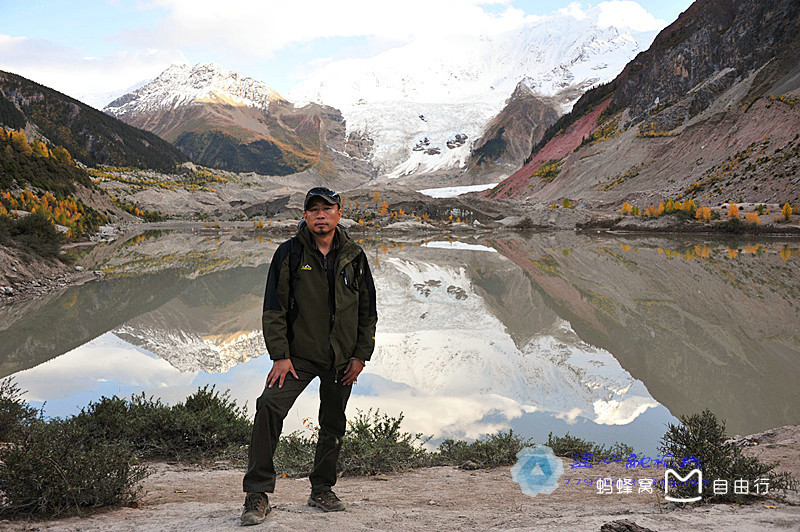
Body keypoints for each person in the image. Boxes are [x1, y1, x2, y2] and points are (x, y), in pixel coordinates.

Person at [241, 186, 378, 525]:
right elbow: (273, 309)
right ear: (304, 215)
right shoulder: (289, 254)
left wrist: (361, 356)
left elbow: (368, 311)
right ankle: (257, 493)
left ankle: (321, 489)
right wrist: (280, 355)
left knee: (333, 422)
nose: (320, 214)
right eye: (313, 209)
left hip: (341, 358)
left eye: (327, 208)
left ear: (338, 213)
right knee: (269, 405)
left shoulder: (355, 256)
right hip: (297, 356)